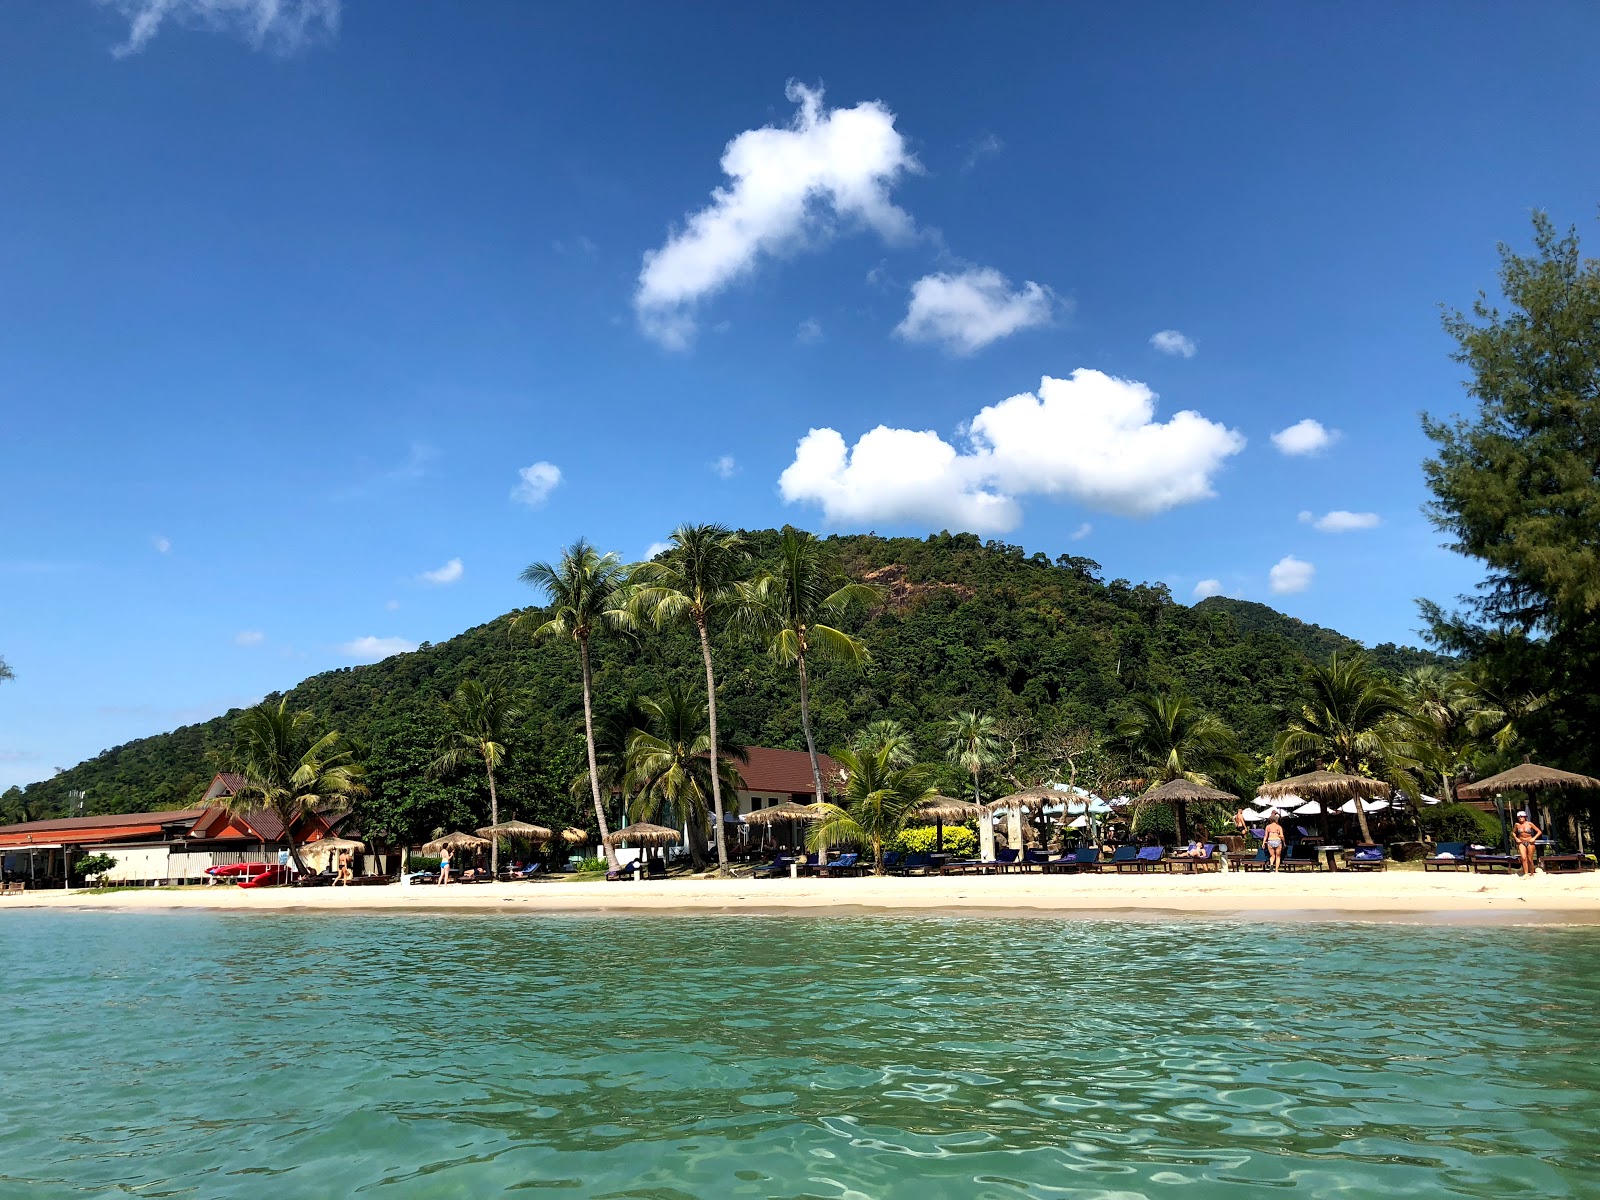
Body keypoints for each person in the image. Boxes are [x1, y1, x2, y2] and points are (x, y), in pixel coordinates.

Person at [1513, 810, 1542, 878]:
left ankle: (1532, 872)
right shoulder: (1517, 825)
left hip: (1529, 842)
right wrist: (1516, 838)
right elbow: (1513, 832)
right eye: (1519, 817)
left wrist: (1534, 838)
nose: (1520, 818)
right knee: (1523, 858)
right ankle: (1526, 873)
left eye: (1522, 816)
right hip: (1521, 842)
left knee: (1530, 858)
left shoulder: (1529, 824)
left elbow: (1539, 831)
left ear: (1525, 817)